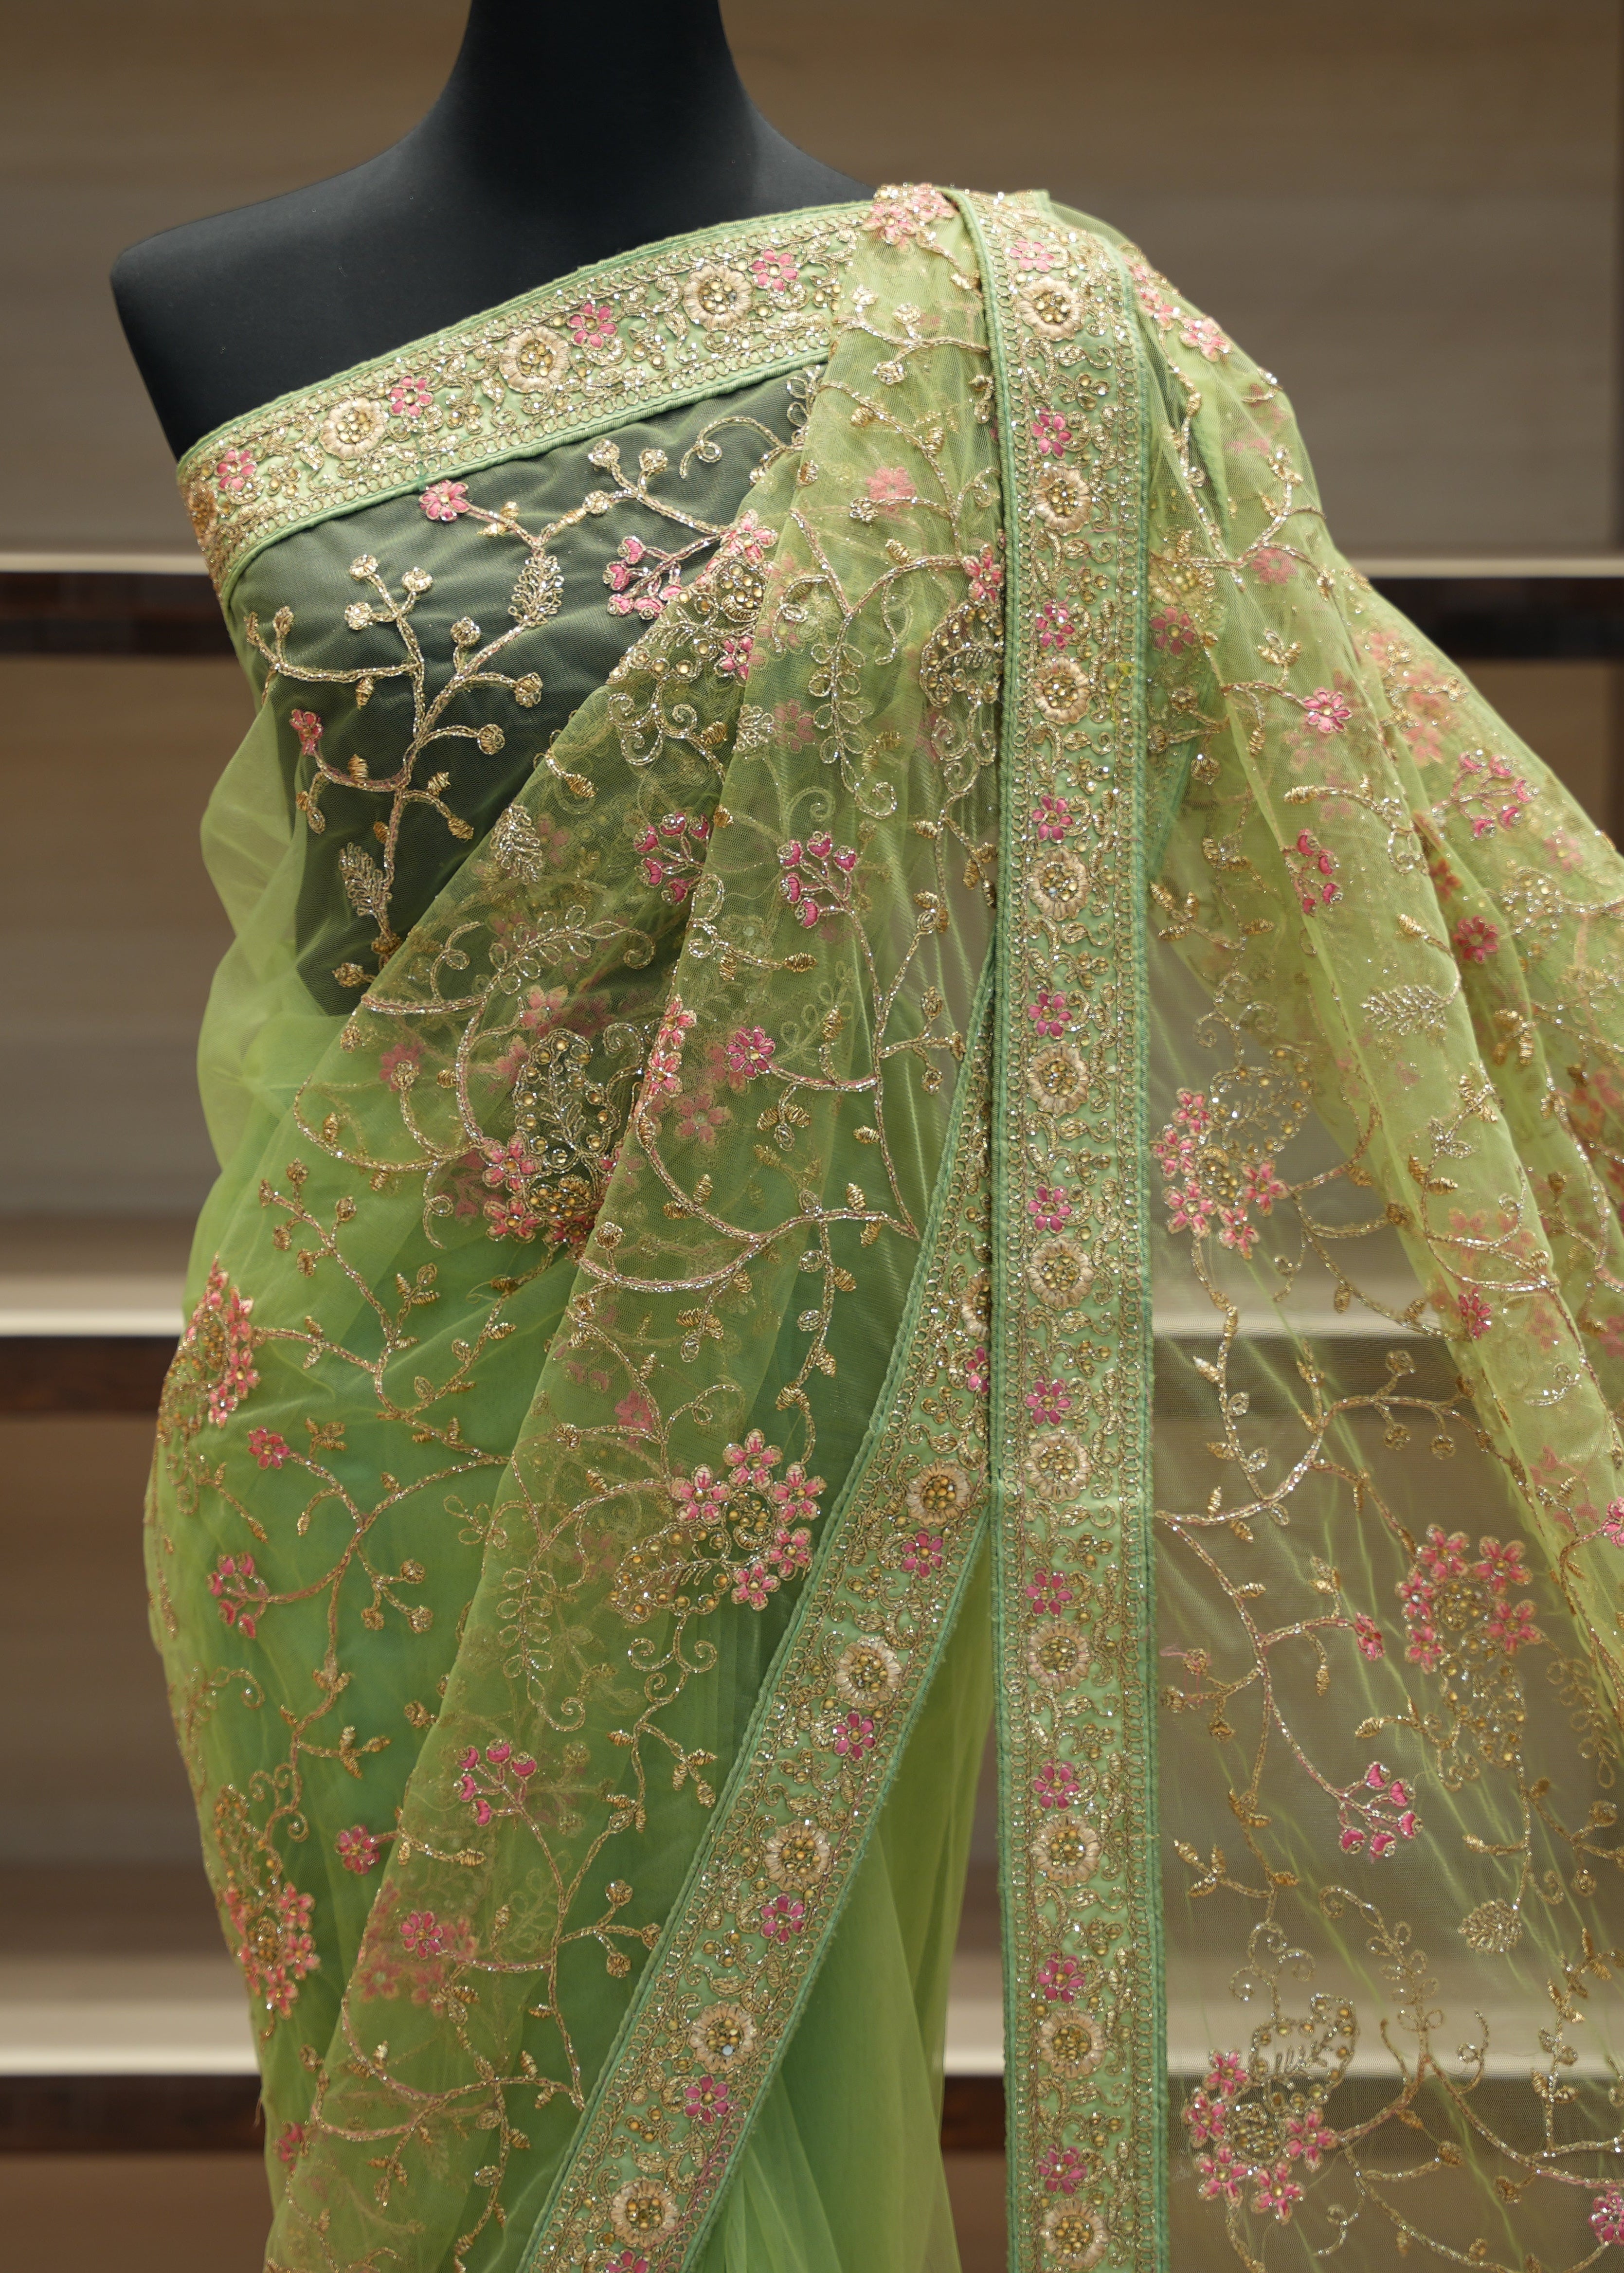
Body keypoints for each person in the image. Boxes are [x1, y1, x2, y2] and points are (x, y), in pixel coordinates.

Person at [121, 8, 1624, 2270]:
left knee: (728, 2118)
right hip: (346, 1452)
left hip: (781, 1438)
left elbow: (1372, 805)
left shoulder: (1027, 341)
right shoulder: (202, 305)